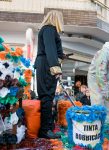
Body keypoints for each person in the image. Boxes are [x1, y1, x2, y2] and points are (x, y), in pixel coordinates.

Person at [34, 10, 66, 139]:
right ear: (56, 19)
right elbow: (50, 50)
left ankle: (46, 127)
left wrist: (61, 55)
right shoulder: (49, 29)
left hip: (44, 63)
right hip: (47, 64)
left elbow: (51, 49)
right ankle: (45, 130)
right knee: (47, 96)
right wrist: (56, 69)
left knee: (46, 96)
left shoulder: (46, 30)